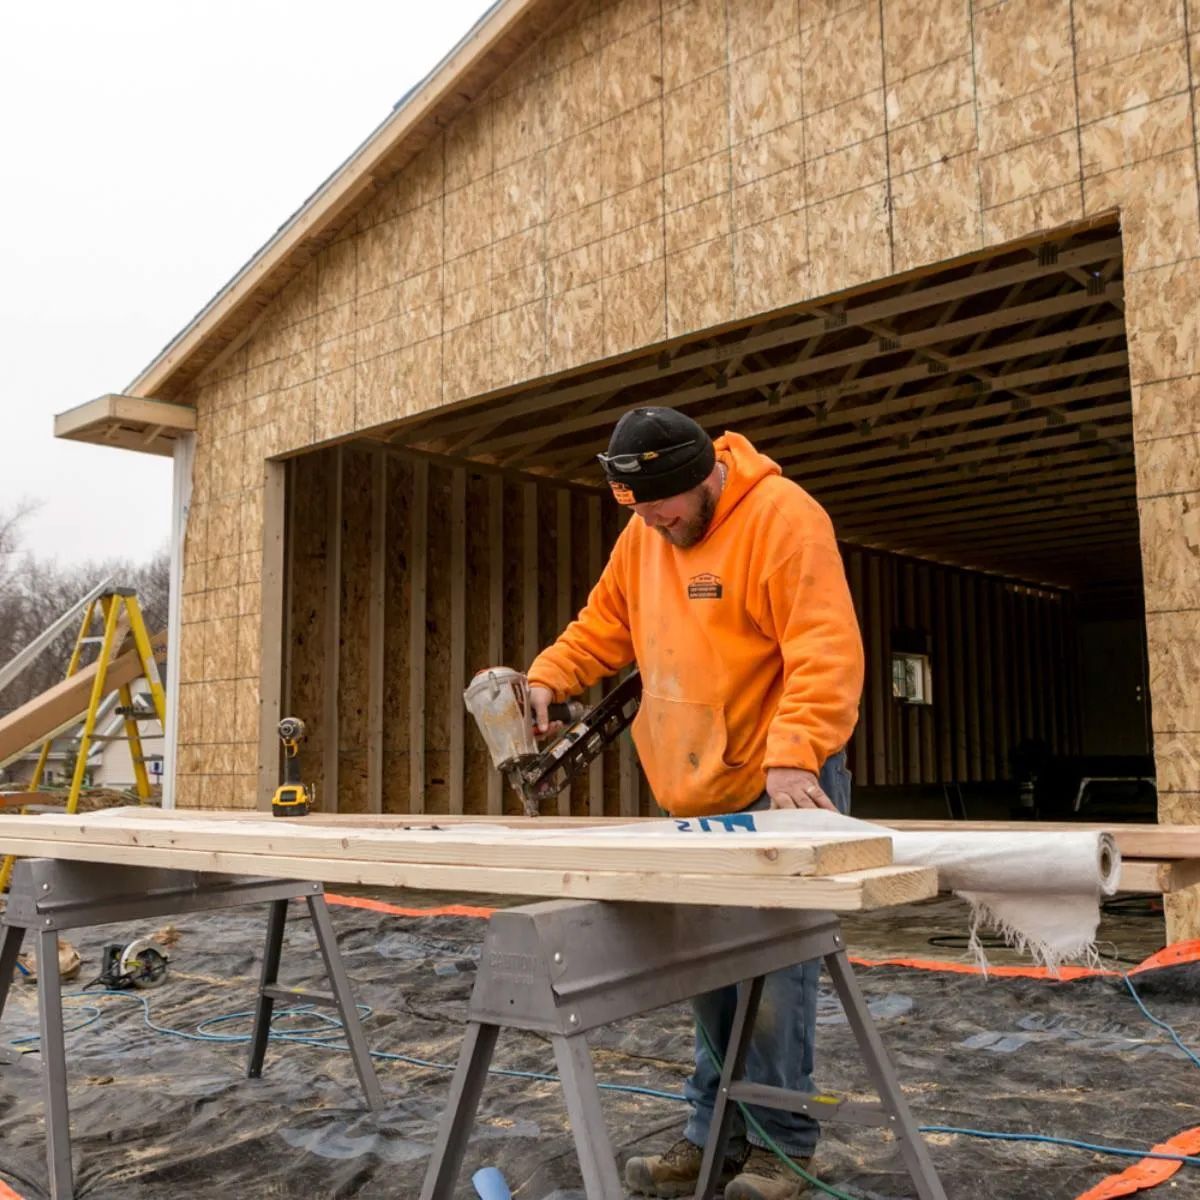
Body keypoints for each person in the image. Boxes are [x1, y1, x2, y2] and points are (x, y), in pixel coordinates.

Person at [526, 407, 865, 1200]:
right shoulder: (644, 533)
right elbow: (603, 626)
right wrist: (548, 677)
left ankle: (785, 1154)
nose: (652, 521)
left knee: (778, 983)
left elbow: (825, 647)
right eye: (637, 508)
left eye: (661, 506)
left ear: (703, 475)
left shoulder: (784, 519)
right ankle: (709, 1138)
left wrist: (794, 757)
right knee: (708, 976)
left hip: (776, 783)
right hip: (694, 791)